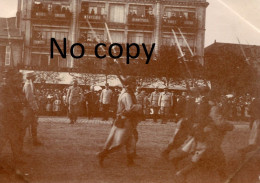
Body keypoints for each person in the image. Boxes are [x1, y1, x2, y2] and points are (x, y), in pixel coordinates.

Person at [97, 76, 142, 167]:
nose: (135, 85)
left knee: (131, 142)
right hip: (125, 121)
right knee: (119, 143)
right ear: (129, 84)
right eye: (134, 83)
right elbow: (130, 108)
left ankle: (130, 162)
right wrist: (139, 106)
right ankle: (103, 154)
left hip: (126, 120)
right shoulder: (127, 95)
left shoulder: (126, 93)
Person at [0, 69, 28, 164]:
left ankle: (17, 158)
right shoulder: (4, 88)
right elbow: (5, 103)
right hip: (6, 117)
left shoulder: (16, 88)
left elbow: (21, 100)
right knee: (3, 139)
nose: (17, 79)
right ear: (8, 78)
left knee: (15, 139)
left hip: (15, 117)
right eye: (15, 77)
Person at [23, 71, 42, 146]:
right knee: (26, 125)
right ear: (30, 77)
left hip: (30, 108)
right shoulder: (28, 85)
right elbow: (30, 98)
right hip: (29, 108)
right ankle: (21, 141)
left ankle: (34, 140)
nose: (35, 77)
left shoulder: (30, 84)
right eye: (34, 76)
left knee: (33, 124)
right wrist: (35, 108)